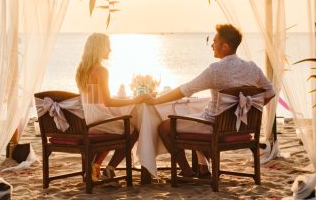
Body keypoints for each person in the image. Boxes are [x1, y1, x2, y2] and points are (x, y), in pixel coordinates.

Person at [151, 24, 275, 178]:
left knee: (165, 127)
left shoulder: (215, 70)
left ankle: (187, 171)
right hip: (242, 127)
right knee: (198, 116)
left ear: (225, 46)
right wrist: (247, 111)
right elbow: (271, 92)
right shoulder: (252, 68)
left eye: (214, 41)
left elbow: (186, 89)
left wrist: (155, 101)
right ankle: (203, 168)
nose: (211, 45)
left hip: (214, 127)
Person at [75, 33, 148, 181]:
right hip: (99, 119)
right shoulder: (101, 71)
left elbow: (94, 98)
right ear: (100, 48)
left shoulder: (81, 70)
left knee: (115, 127)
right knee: (133, 131)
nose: (110, 50)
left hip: (88, 119)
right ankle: (109, 168)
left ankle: (95, 166)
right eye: (108, 46)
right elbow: (108, 102)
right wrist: (134, 99)